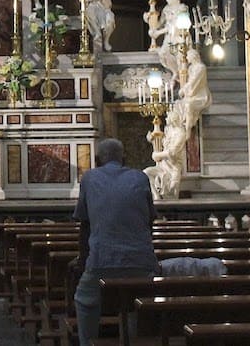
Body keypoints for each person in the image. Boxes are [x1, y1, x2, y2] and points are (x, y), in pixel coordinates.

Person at [73, 138, 158, 346]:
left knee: (84, 300)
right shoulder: (140, 177)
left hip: (102, 260)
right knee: (137, 302)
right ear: (124, 158)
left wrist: (83, 261)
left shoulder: (89, 178)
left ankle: (88, 343)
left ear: (97, 160)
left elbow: (85, 224)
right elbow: (150, 221)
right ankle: (134, 340)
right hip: (141, 261)